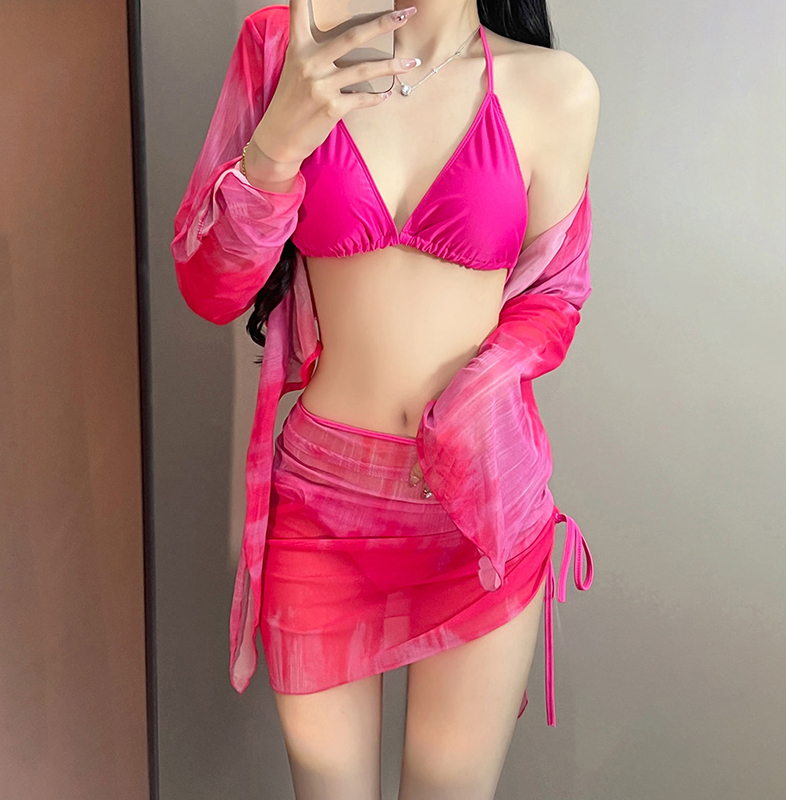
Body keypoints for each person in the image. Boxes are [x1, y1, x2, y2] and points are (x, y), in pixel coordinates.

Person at [171, 0, 599, 797]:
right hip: (321, 513)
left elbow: (555, 297)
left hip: (476, 516)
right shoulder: (286, 47)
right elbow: (209, 285)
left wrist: (471, 398)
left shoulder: (555, 88)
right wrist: (276, 145)